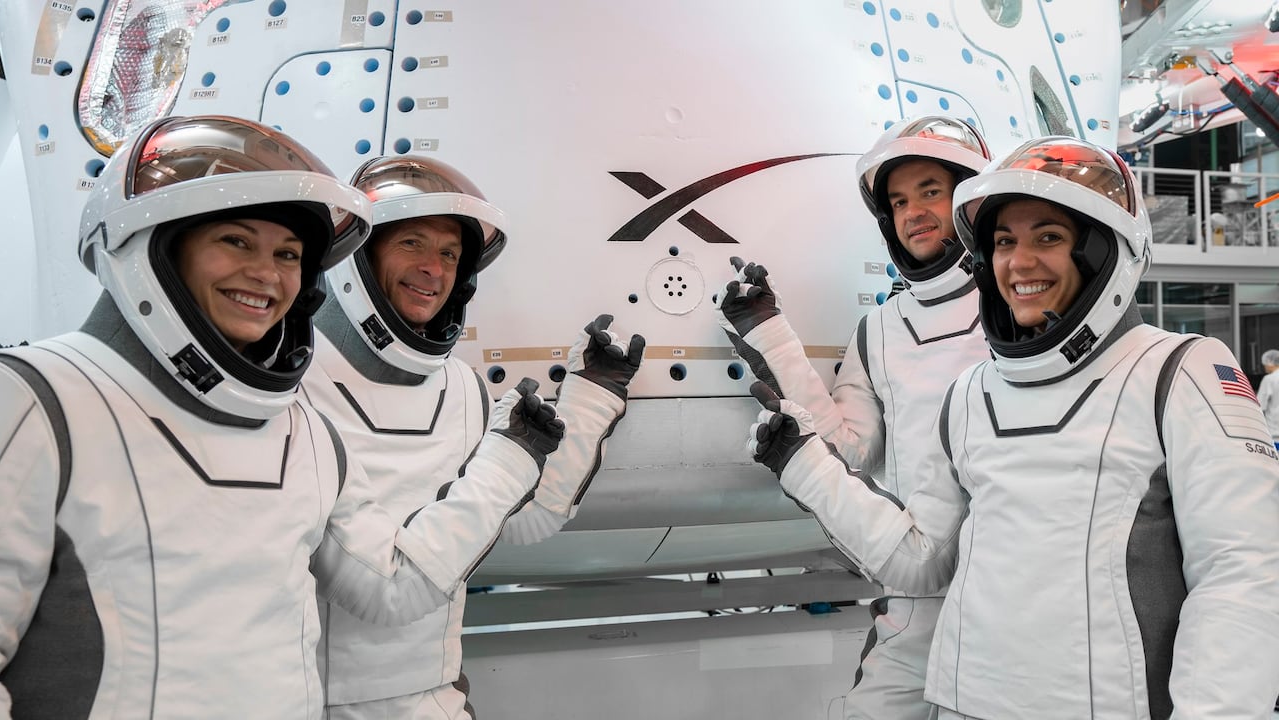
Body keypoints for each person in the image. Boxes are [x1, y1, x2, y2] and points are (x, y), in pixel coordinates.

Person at [0, 115, 566, 718]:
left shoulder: (302, 433)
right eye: (236, 241)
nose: (267, 274)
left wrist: (513, 454)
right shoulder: (36, 401)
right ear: (150, 243)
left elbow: (393, 588)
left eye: (289, 254)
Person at [745, 135, 1279, 719]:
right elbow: (922, 560)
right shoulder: (971, 394)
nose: (1018, 263)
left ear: (1105, 249)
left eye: (1047, 237)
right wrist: (805, 464)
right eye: (1003, 242)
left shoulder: (1178, 371)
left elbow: (1242, 576)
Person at [302, 155, 645, 719]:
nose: (433, 269)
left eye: (449, 255)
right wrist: (509, 460)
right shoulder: (292, 385)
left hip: (433, 696)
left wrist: (589, 400)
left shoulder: (460, 385)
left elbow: (524, 520)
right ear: (359, 255)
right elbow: (384, 590)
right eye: (412, 243)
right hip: (314, 702)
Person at [713, 116, 993, 720]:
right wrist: (770, 333)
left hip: (1008, 596)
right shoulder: (881, 330)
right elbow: (849, 449)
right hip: (915, 598)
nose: (914, 213)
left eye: (930, 192)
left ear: (970, 198)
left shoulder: (1017, 308)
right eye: (899, 202)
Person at [1257, 349, 1279, 449]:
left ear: (1270, 363)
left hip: (1274, 433)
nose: (1264, 366)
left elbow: (1259, 406)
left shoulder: (1269, 379)